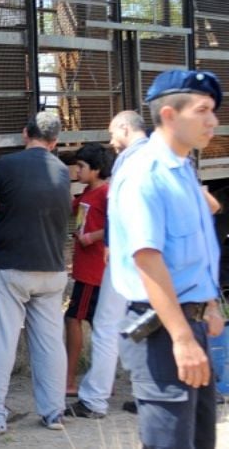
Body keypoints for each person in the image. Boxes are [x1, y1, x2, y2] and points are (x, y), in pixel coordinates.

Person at [109, 70, 226, 449]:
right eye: (203, 110)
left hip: (188, 324)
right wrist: (181, 338)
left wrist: (209, 304)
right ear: (171, 116)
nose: (213, 121)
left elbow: (193, 251)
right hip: (162, 331)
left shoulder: (182, 171)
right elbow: (148, 260)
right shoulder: (146, 173)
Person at [0, 112, 71, 434]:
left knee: (3, 340)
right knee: (51, 343)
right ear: (54, 142)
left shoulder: (7, 165)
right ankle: (54, 413)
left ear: (26, 134)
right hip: (53, 269)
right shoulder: (64, 171)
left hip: (13, 267)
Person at [66, 110, 149, 418]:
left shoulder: (129, 160)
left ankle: (94, 399)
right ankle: (147, 394)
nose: (112, 141)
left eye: (114, 133)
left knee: (106, 326)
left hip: (128, 254)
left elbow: (120, 211)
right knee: (144, 324)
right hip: (153, 255)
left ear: (126, 128)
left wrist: (110, 245)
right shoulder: (162, 155)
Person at [65, 143, 114, 397]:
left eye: (82, 166)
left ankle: (69, 381)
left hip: (93, 272)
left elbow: (119, 223)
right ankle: (104, 381)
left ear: (96, 170)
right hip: (87, 269)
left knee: (73, 320)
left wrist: (92, 236)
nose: (77, 170)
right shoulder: (87, 192)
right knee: (99, 325)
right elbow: (71, 209)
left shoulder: (105, 194)